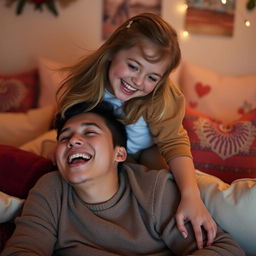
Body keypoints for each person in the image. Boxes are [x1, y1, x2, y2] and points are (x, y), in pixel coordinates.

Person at [56, 13, 216, 248]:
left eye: (152, 77)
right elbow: (68, 128)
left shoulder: (162, 98)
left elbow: (173, 143)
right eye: (133, 66)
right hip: (107, 153)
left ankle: (210, 202)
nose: (138, 82)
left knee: (171, 185)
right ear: (112, 50)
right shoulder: (85, 86)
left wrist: (191, 196)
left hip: (151, 150)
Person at [2, 101, 245, 256]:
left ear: (119, 153)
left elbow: (225, 249)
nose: (73, 141)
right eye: (65, 137)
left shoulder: (154, 190)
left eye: (89, 132)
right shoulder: (50, 188)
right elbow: (23, 248)